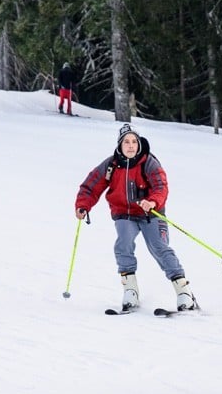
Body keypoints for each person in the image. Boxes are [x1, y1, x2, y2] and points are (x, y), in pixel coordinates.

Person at [74, 124, 197, 312]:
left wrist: (153, 202)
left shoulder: (148, 162)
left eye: (134, 142)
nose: (130, 146)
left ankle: (184, 293)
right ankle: (130, 291)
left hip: (151, 214)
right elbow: (91, 185)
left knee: (159, 247)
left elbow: (161, 186)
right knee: (123, 244)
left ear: (139, 144)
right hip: (124, 214)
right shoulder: (111, 165)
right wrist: (83, 205)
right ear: (120, 145)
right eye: (126, 142)